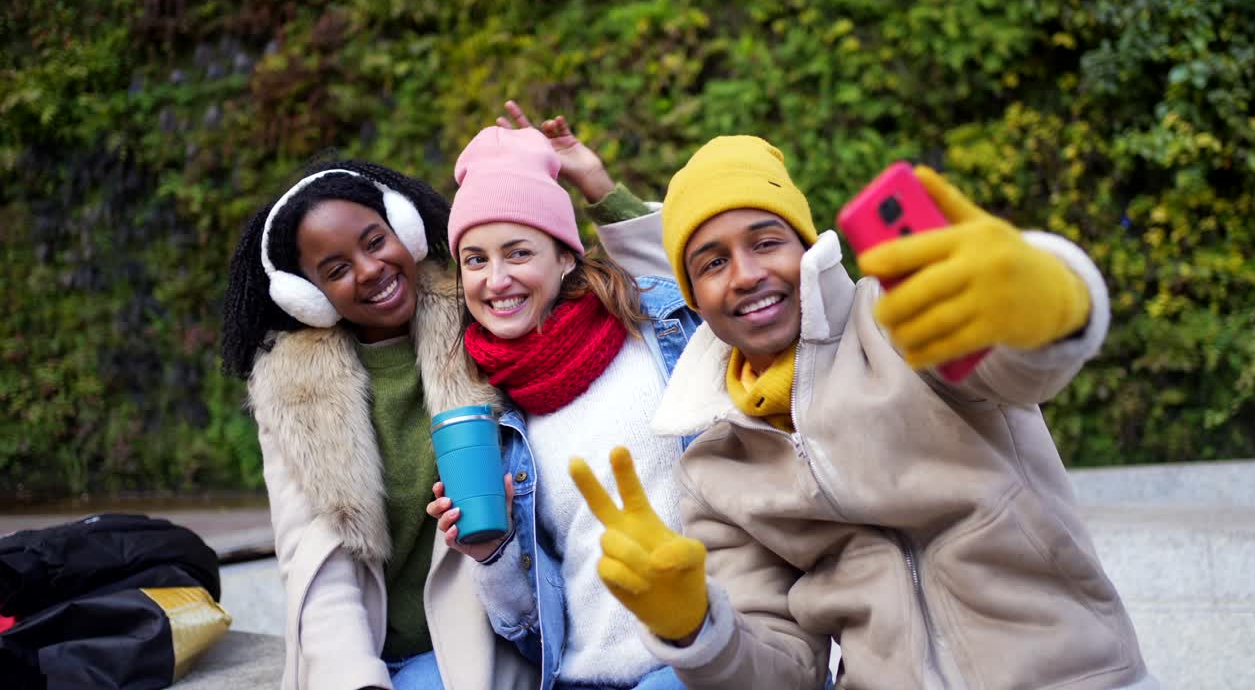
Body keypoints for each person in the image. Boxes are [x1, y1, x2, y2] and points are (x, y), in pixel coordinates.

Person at [569, 136, 1159, 689]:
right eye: (712, 262)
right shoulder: (715, 466)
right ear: (693, 295)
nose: (746, 275)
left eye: (766, 241)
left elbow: (1021, 365)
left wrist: (1049, 299)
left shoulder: (901, 319)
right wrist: (696, 629)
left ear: (805, 247)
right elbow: (786, 670)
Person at [219, 113, 661, 690]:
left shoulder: (478, 318)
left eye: (375, 241)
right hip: (380, 656)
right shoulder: (292, 393)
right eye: (336, 269)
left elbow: (661, 298)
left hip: (493, 640)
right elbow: (318, 564)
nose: (370, 269)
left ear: (405, 229)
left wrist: (598, 188)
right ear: (308, 297)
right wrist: (358, 680)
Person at [424, 111, 701, 690]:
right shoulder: (492, 417)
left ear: (566, 256)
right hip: (584, 677)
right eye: (475, 259)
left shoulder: (656, 330)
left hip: (706, 656)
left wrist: (595, 181)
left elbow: (703, 268)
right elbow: (529, 626)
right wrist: (492, 553)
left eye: (518, 252)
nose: (495, 279)